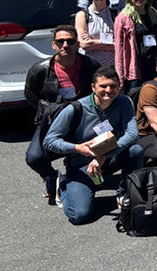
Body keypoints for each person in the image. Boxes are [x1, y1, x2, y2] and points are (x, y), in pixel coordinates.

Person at [42, 67, 144, 225]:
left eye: (113, 86)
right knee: (80, 215)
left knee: (136, 150)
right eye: (103, 86)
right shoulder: (75, 109)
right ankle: (62, 186)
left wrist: (103, 155)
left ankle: (124, 193)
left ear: (119, 87)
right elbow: (49, 141)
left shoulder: (124, 102)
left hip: (108, 158)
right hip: (81, 164)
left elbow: (132, 134)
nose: (108, 90)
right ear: (93, 87)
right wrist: (76, 148)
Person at [24, 26, 102, 203]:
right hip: (53, 120)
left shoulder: (91, 66)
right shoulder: (40, 69)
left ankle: (81, 175)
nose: (65, 45)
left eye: (70, 41)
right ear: (53, 45)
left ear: (77, 44)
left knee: (109, 147)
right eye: (60, 41)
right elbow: (30, 95)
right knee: (34, 157)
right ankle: (51, 176)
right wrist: (49, 110)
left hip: (84, 119)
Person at [74, 0, 116, 68]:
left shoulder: (115, 15)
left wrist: (92, 43)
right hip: (89, 66)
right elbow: (83, 44)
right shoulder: (82, 15)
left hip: (111, 66)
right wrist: (109, 43)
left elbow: (119, 45)